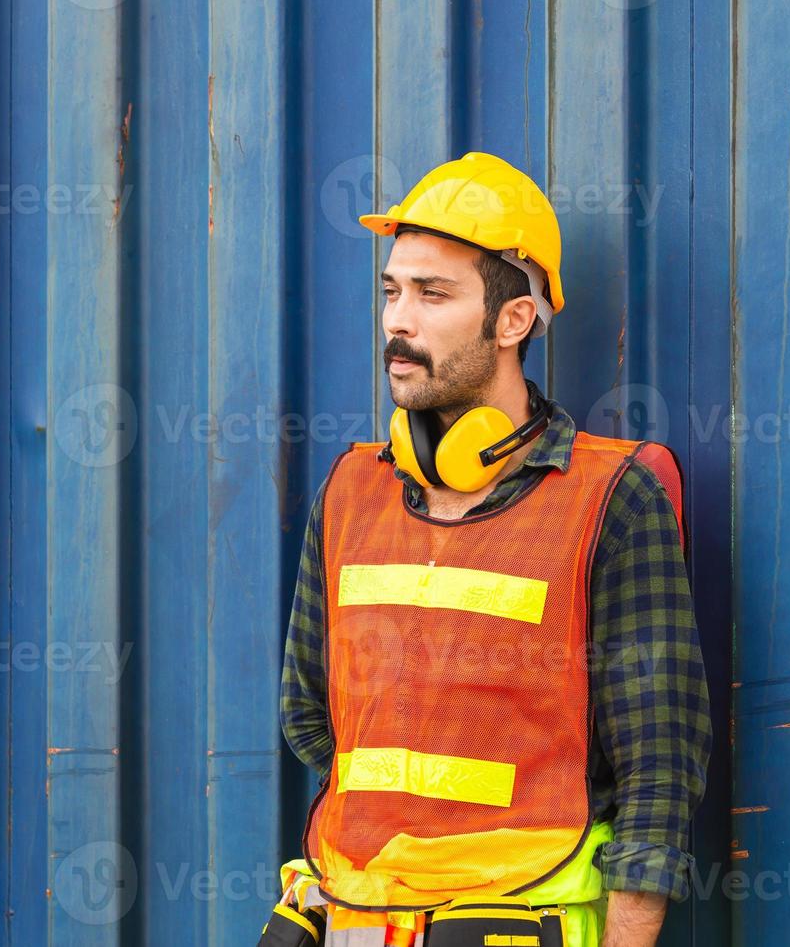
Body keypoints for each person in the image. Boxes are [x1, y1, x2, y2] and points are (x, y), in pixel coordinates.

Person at [273, 152, 711, 947]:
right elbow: (312, 716)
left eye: (433, 294)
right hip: (356, 920)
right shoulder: (348, 493)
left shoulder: (611, 498)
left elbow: (659, 770)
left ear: (513, 321)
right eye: (391, 290)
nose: (398, 321)